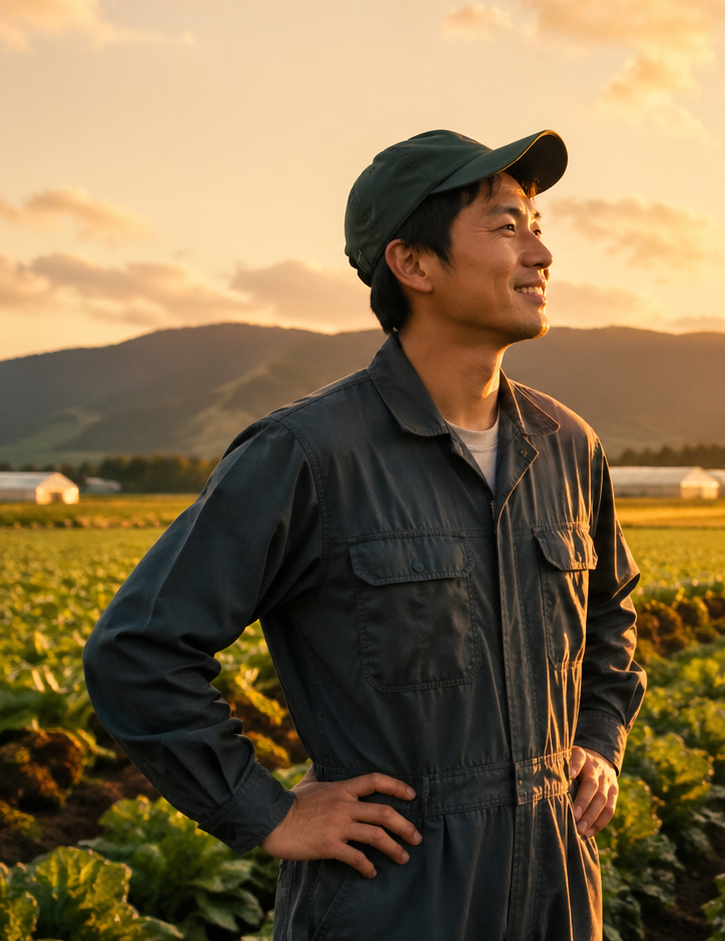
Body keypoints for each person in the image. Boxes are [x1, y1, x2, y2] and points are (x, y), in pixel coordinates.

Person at [83, 129, 646, 940]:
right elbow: (138, 651)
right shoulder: (307, 453)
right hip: (391, 895)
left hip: (556, 886)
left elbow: (611, 614)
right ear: (412, 264)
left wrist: (597, 737)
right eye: (505, 226)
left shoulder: (568, 447)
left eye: (536, 222)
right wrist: (268, 811)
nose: (541, 251)